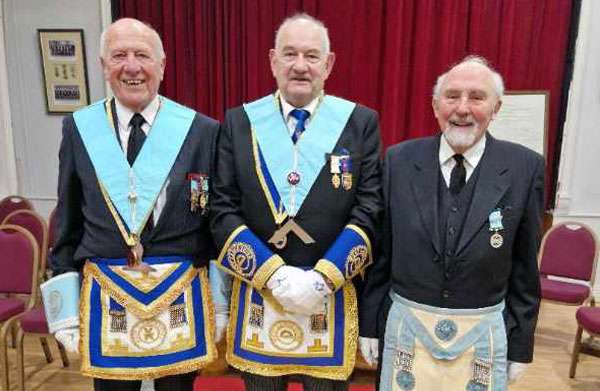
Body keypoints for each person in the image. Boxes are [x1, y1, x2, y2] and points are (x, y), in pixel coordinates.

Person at [210, 13, 381, 391]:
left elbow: (370, 210)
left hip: (329, 297)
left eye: (311, 56)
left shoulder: (360, 122)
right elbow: (221, 210)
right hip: (259, 294)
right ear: (273, 61)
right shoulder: (240, 122)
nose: (300, 66)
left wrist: (322, 279)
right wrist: (273, 274)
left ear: (329, 64)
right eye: (289, 54)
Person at [49, 18, 221, 391]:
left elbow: (217, 222)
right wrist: (63, 312)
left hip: (181, 295)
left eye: (142, 55)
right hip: (107, 298)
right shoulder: (80, 128)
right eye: (119, 55)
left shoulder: (202, 130)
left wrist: (220, 303)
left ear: (162, 65)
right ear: (103, 65)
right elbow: (67, 220)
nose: (131, 66)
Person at [360, 56, 544, 391]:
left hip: (481, 339)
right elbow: (380, 253)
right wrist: (369, 324)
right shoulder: (398, 161)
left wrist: (521, 344)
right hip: (406, 332)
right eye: (452, 96)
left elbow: (524, 268)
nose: (462, 108)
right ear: (435, 105)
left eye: (476, 97)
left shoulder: (525, 167)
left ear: (496, 107)